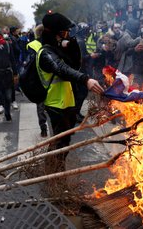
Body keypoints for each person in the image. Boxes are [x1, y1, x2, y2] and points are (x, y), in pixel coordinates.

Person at [37, 12, 104, 173]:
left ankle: (55, 174)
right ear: (55, 33)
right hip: (55, 104)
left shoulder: (56, 49)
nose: (67, 35)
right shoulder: (46, 53)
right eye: (64, 32)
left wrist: (72, 45)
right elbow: (62, 69)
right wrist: (86, 79)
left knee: (63, 143)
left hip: (65, 102)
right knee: (59, 144)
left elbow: (74, 65)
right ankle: (54, 176)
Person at [26, 24, 48, 137]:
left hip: (39, 79)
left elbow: (30, 64)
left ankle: (43, 128)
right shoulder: (52, 43)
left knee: (40, 106)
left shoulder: (31, 45)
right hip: (52, 79)